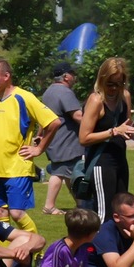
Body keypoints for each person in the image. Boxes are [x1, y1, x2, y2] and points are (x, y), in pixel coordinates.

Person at [0, 57, 59, 230]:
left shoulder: (24, 97)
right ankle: (6, 256)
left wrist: (39, 148)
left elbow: (54, 122)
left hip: (17, 167)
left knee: (17, 213)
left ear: (6, 76)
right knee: (0, 213)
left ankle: (36, 247)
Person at [77, 56, 134, 219]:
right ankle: (102, 244)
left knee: (123, 210)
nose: (114, 88)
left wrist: (130, 131)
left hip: (120, 159)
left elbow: (127, 124)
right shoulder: (96, 100)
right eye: (110, 84)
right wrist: (113, 131)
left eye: (119, 84)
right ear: (102, 79)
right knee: (105, 215)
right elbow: (84, 138)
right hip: (100, 162)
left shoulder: (125, 97)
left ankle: (120, 244)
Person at [40, 62, 86, 216]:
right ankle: (49, 206)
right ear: (66, 76)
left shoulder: (49, 92)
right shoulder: (65, 92)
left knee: (68, 173)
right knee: (60, 173)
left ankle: (81, 204)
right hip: (65, 142)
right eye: (72, 74)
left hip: (54, 140)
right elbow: (78, 116)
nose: (74, 77)